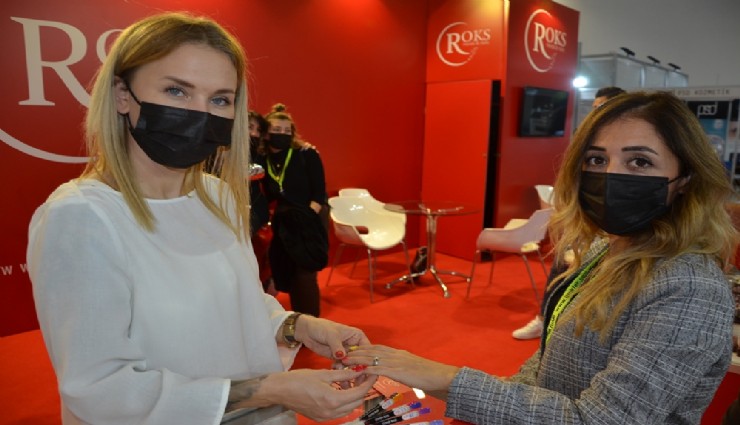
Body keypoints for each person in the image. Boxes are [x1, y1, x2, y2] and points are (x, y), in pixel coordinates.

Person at [26, 12, 375, 425]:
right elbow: (100, 389)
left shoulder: (218, 195)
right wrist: (268, 390)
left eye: (220, 100)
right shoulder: (81, 218)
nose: (200, 113)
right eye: (176, 91)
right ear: (122, 95)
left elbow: (237, 305)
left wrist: (296, 326)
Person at [344, 91, 737, 424]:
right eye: (597, 160)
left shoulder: (688, 287)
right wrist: (475, 399)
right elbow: (552, 358)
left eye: (640, 162)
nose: (610, 175)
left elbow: (601, 420)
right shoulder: (607, 249)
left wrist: (445, 378)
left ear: (685, 180)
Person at [513, 85, 627, 340]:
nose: (595, 112)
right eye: (594, 107)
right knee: (561, 265)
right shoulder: (584, 136)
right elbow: (573, 174)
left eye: (601, 107)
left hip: (617, 223)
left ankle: (584, 330)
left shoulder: (630, 140)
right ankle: (545, 319)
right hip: (586, 216)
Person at [256, 103, 328, 317]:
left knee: (305, 272)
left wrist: (306, 219)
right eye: (276, 130)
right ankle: (298, 318)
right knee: (288, 270)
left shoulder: (306, 154)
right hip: (284, 220)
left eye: (287, 131)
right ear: (266, 133)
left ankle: (311, 323)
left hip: (310, 215)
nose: (282, 134)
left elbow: (319, 193)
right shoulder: (263, 159)